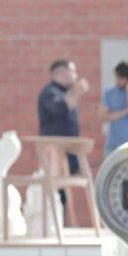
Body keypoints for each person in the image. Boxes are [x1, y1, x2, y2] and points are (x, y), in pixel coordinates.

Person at [36, 59, 91, 212]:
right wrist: (77, 91)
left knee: (64, 193)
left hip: (68, 151)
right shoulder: (50, 92)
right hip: (54, 153)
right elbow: (60, 107)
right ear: (60, 73)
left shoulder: (65, 93)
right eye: (72, 71)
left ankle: (61, 221)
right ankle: (54, 221)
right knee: (55, 190)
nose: (75, 75)